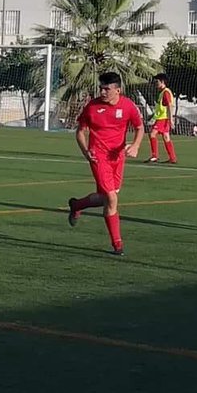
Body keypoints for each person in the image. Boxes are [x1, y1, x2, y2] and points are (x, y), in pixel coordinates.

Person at [67, 71, 144, 256]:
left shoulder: (128, 106)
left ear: (118, 90)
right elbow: (80, 132)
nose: (102, 92)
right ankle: (117, 244)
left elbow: (140, 128)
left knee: (105, 198)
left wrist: (135, 145)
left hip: (117, 158)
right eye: (101, 88)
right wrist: (86, 153)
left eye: (106, 89)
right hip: (98, 156)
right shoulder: (92, 107)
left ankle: (77, 205)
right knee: (111, 199)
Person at [146, 72, 177, 164]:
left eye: (157, 81)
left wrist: (171, 119)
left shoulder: (165, 92)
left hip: (163, 118)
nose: (156, 83)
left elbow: (169, 106)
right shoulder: (163, 92)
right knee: (166, 137)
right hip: (162, 118)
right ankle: (172, 158)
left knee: (152, 134)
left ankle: (155, 156)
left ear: (162, 82)